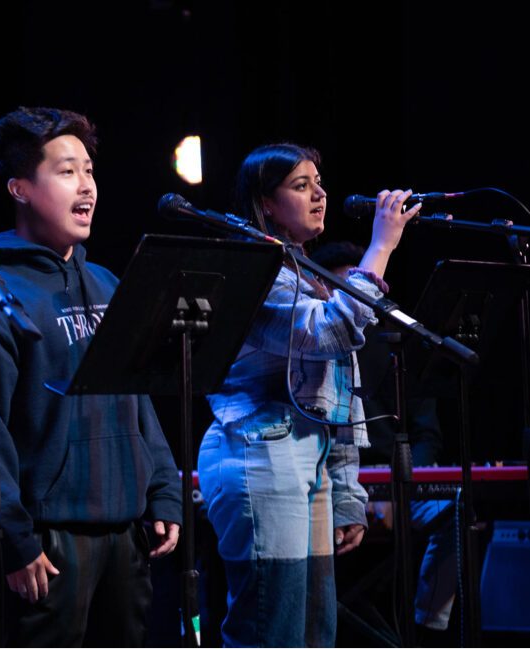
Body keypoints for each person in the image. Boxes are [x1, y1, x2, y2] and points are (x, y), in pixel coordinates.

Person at [0, 106, 183, 647]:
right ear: (20, 187)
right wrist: (11, 539)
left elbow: (137, 397)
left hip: (125, 534)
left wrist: (164, 488)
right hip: (47, 544)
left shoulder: (107, 283)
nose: (86, 185)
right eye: (67, 171)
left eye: (89, 170)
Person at [196, 143, 421, 647]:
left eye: (319, 181)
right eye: (301, 186)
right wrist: (380, 247)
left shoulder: (307, 275)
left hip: (306, 456)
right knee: (271, 631)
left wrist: (345, 493)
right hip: (259, 453)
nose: (320, 194)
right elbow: (326, 336)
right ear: (266, 204)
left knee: (316, 631)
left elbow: (336, 392)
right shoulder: (253, 274)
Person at [311, 240, 458, 637]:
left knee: (460, 511)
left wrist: (407, 490)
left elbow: (427, 433)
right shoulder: (315, 346)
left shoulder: (399, 347)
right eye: (341, 290)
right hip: (336, 487)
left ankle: (428, 628)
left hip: (399, 488)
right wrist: (354, 496)